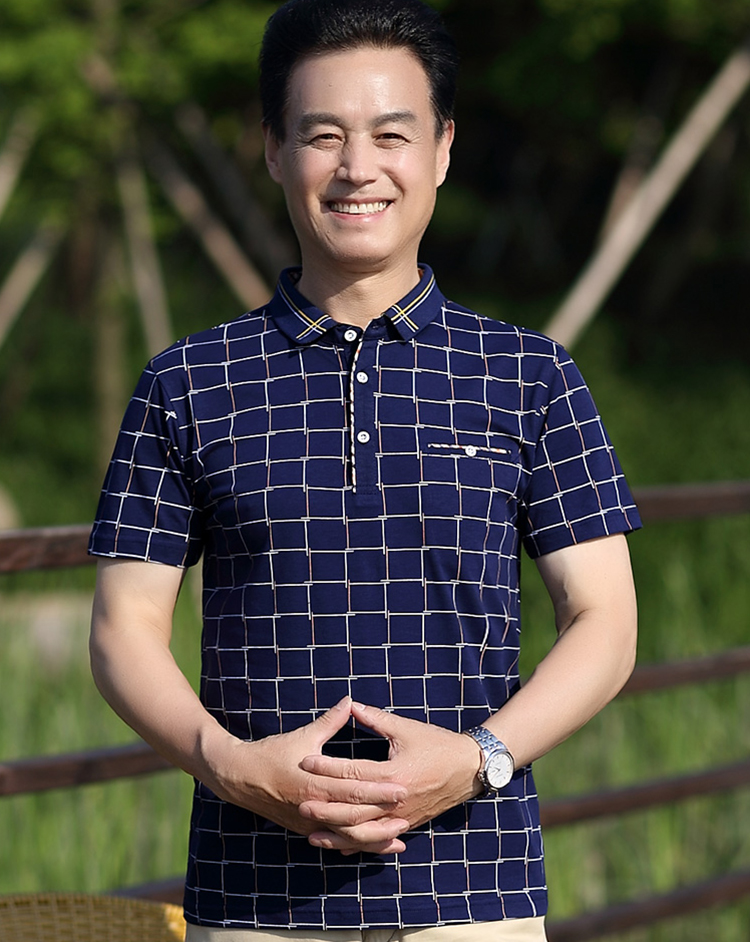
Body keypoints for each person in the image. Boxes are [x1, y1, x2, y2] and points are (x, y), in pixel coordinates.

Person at [88, 1, 640, 940]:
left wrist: (475, 760)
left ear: (443, 148)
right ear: (274, 150)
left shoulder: (530, 374)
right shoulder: (188, 380)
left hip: (474, 895)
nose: (357, 167)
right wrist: (232, 767)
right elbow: (122, 630)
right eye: (323, 135)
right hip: (253, 896)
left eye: (391, 134)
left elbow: (607, 623)